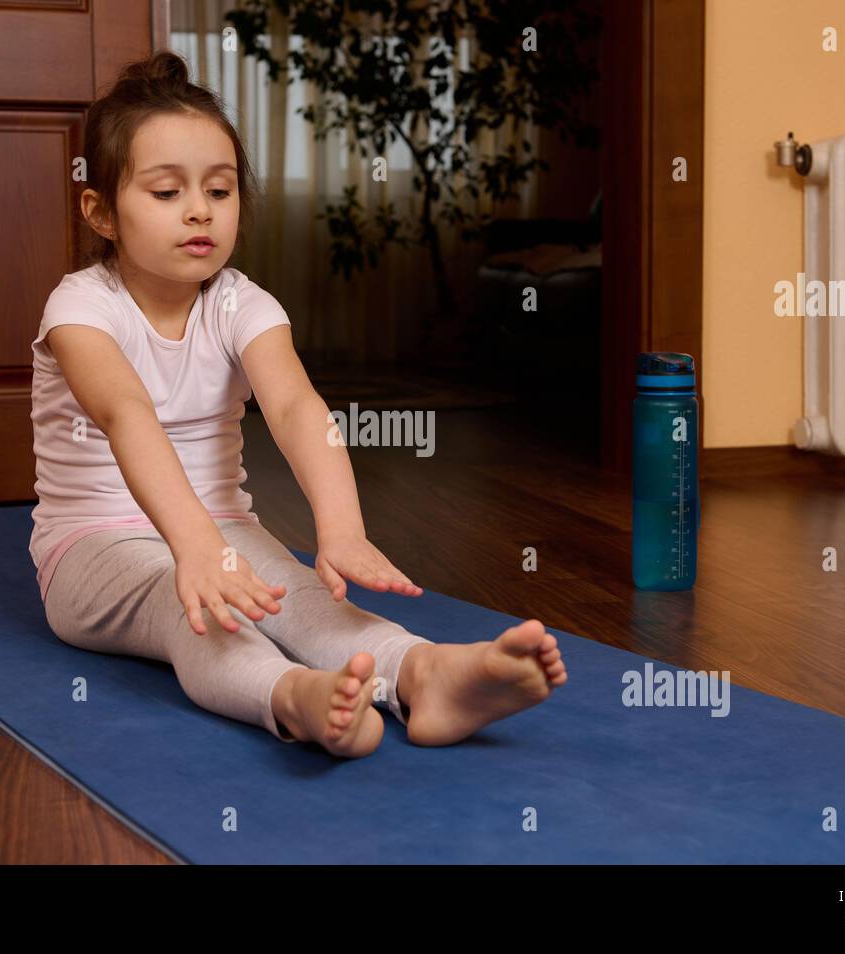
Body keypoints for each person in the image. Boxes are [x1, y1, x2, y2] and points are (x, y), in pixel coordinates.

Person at [30, 50, 567, 758]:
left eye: (219, 192)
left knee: (304, 596)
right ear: (100, 211)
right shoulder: (80, 307)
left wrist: (339, 530)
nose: (199, 210)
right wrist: (193, 550)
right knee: (193, 607)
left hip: (224, 528)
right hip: (93, 546)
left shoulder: (241, 303)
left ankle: (424, 674)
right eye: (166, 194)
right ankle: (291, 699)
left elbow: (295, 407)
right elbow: (128, 414)